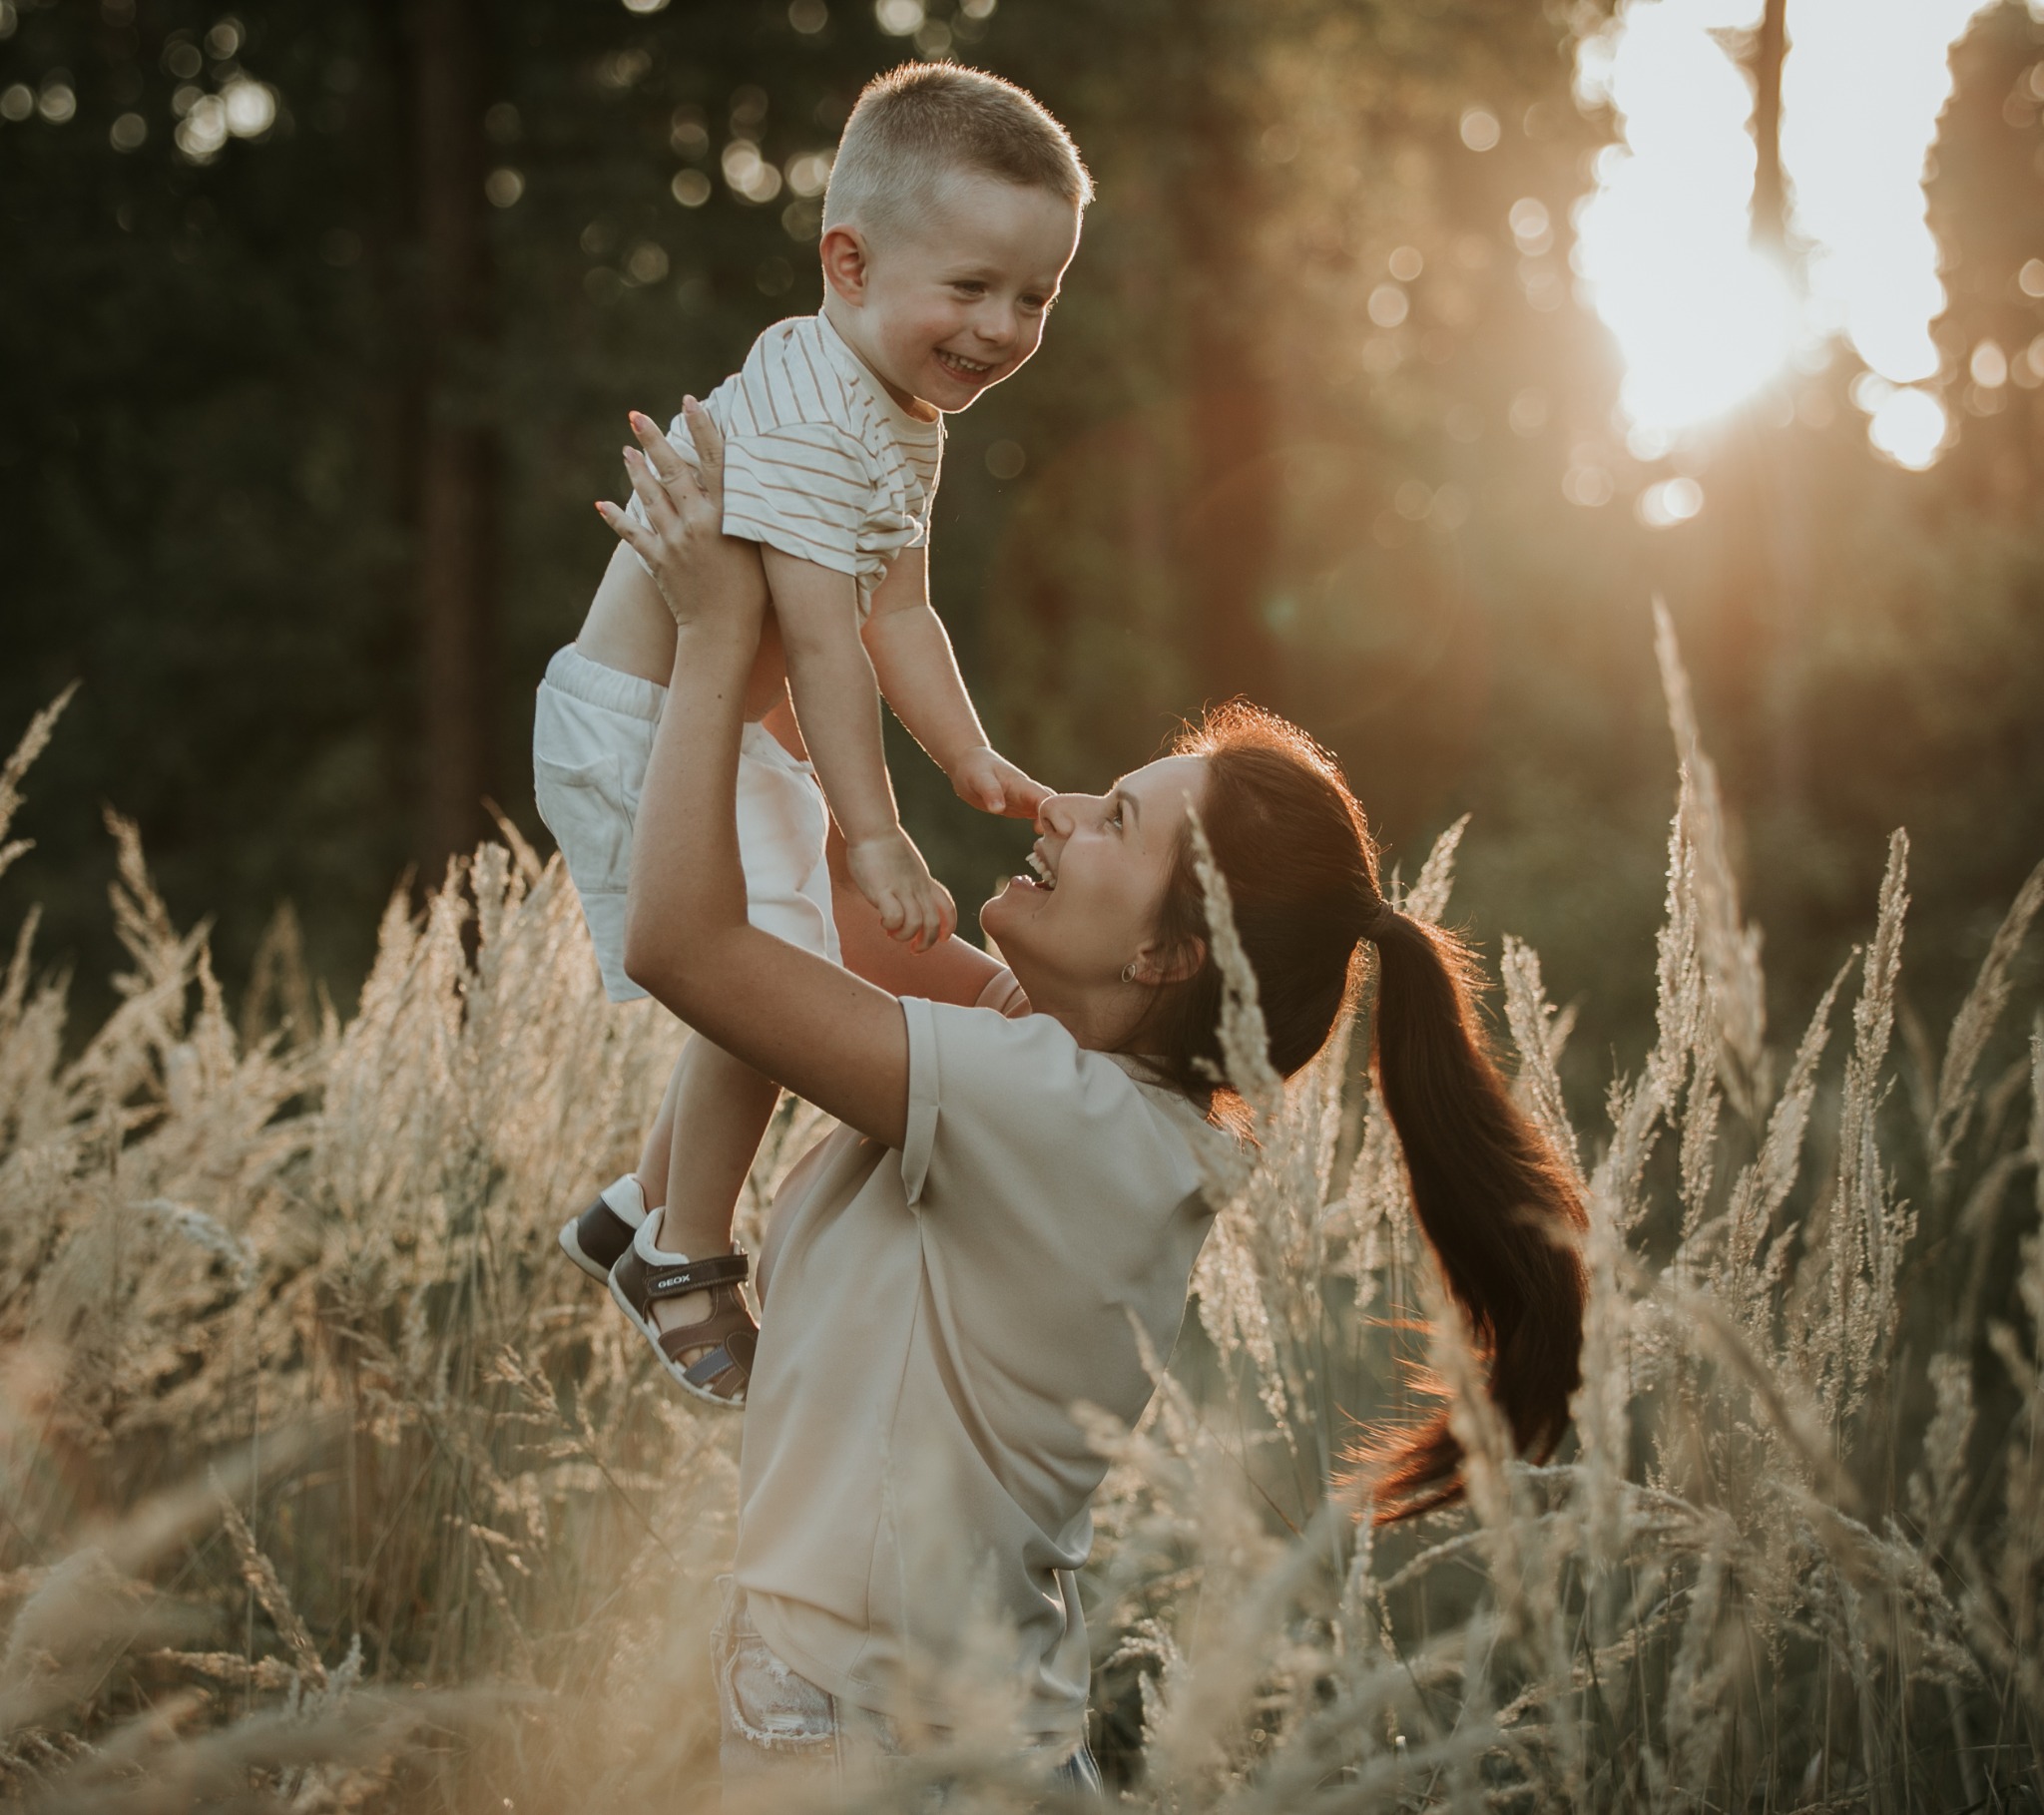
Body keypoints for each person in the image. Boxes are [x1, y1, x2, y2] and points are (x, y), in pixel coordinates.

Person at [598, 407, 1591, 1801]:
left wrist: (712, 637)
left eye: (1115, 819)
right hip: (953, 1736)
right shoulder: (1079, 1085)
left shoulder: (1055, 1118)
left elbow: (688, 950)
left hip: (876, 1747)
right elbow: (808, 888)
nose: (1059, 810)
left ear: (1167, 958)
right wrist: (791, 573)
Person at [532, 63, 1090, 1405]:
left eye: (1036, 296)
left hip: (717, 728)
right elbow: (822, 638)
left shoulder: (900, 410)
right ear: (847, 260)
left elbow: (902, 612)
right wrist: (876, 835)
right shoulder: (803, 421)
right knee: (761, 979)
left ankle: (629, 1211)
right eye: (971, 287)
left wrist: (968, 756)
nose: (1003, 326)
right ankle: (688, 1252)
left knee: (781, 957)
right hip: (643, 728)